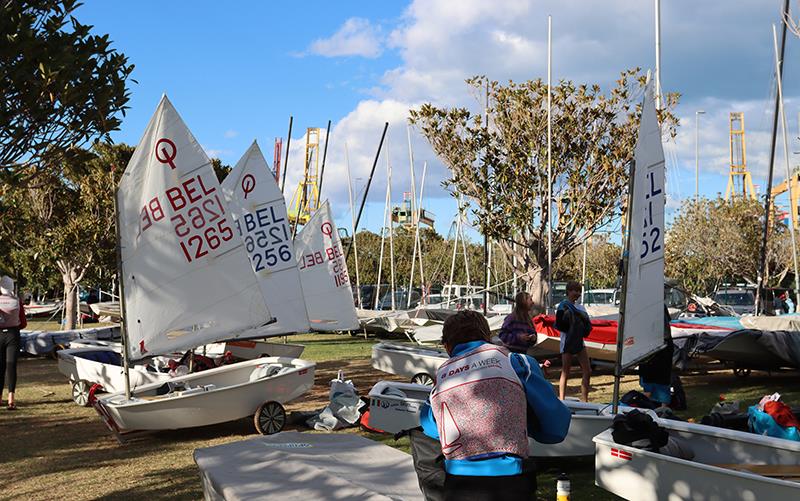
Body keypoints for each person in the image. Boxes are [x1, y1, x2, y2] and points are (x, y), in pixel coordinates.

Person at [418, 310, 570, 501]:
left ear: (447, 346)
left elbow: (429, 425)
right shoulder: (515, 361)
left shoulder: (442, 377)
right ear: (488, 337)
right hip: (510, 481)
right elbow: (556, 428)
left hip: (458, 484)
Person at [555, 280, 592, 402]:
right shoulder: (562, 306)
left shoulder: (581, 308)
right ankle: (562, 399)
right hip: (567, 341)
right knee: (566, 371)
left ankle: (584, 399)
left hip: (579, 342)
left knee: (587, 370)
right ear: (568, 292)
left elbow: (587, 324)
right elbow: (560, 325)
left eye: (579, 291)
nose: (576, 293)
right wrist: (571, 326)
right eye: (574, 291)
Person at [638, 307, 674, 408]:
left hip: (661, 345)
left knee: (660, 378)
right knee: (650, 379)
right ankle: (652, 404)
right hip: (651, 345)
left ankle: (662, 407)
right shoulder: (652, 305)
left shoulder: (658, 306)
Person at [0, 275, 26, 410]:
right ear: (12, 287)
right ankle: (11, 399)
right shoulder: (17, 301)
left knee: (0, 367)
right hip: (13, 335)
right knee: (11, 366)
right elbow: (23, 323)